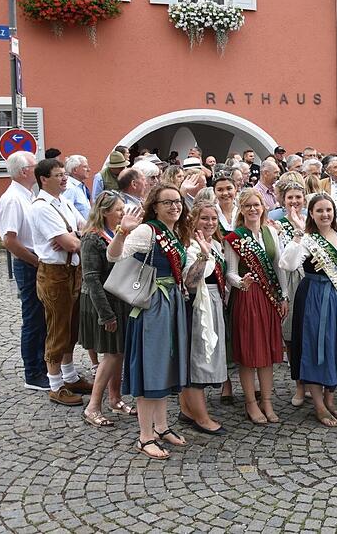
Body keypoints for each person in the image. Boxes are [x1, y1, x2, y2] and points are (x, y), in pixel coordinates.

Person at [107, 185, 195, 460]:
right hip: (152, 307)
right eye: (166, 202)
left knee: (165, 367)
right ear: (154, 206)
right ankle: (145, 437)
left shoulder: (174, 233)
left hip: (172, 305)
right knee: (151, 369)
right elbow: (113, 256)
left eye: (177, 202)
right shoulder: (147, 231)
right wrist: (123, 230)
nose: (174, 206)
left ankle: (162, 426)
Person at [280, 194, 337, 427]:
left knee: (336, 345)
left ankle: (330, 399)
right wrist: (297, 234)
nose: (325, 214)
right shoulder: (307, 239)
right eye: (320, 211)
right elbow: (288, 264)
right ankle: (318, 405)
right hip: (314, 297)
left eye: (329, 210)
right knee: (315, 348)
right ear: (311, 214)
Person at [29, 158, 93, 406]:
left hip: (72, 271)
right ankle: (55, 385)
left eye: (65, 174)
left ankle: (70, 376)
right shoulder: (41, 207)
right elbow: (73, 244)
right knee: (57, 328)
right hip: (55, 272)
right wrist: (75, 237)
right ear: (44, 179)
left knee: (71, 326)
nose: (64, 178)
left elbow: (87, 228)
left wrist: (76, 235)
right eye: (58, 175)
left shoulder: (63, 201)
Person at [224, 189, 288, 424]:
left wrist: (284, 296)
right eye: (248, 205)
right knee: (250, 353)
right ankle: (251, 403)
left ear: (263, 207)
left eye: (256, 205)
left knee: (268, 353)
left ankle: (267, 401)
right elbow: (230, 271)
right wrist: (241, 283)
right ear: (241, 209)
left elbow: (279, 266)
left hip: (269, 298)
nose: (253, 209)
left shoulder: (270, 231)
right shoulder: (234, 237)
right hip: (247, 297)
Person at [79, 191, 135, 427]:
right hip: (100, 302)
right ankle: (93, 406)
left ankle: (115, 399)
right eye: (119, 210)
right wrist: (106, 314)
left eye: (124, 209)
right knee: (110, 355)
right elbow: (91, 278)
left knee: (118, 352)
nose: (123, 213)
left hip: (117, 298)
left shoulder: (114, 233)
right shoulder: (92, 238)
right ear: (104, 212)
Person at [0, 151, 48, 391]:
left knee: (41, 318)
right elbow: (9, 240)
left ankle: (42, 366)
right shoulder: (12, 199)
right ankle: (33, 373)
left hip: (34, 260)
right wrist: (34, 260)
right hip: (28, 264)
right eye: (34, 165)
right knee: (33, 319)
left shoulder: (28, 195)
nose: (37, 169)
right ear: (24, 171)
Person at [178, 200, 229, 435]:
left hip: (212, 301)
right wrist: (203, 256)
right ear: (193, 219)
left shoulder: (215, 243)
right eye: (204, 218)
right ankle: (201, 417)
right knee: (196, 359)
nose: (209, 223)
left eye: (213, 218)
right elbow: (190, 282)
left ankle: (187, 410)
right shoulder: (190, 245)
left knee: (202, 356)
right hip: (198, 304)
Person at [270, 176, 309, 406]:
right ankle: (299, 385)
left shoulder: (311, 220)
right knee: (291, 335)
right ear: (283, 200)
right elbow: (280, 258)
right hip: (290, 280)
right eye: (290, 197)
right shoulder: (277, 225)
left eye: (298, 197)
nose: (294, 201)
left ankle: (315, 380)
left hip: (310, 279)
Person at [63, 155, 92, 219]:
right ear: (75, 170)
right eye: (85, 167)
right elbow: (66, 213)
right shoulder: (70, 188)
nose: (89, 169)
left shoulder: (81, 187)